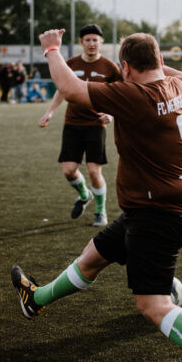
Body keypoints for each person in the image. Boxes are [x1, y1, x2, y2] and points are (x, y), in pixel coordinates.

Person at [11, 30, 182, 362]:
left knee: (153, 306)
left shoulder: (136, 96)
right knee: (92, 257)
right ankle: (37, 299)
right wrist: (159, 66)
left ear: (125, 67)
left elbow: (71, 89)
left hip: (157, 213)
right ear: (160, 61)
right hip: (152, 208)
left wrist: (52, 50)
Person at [39, 24, 121, 227]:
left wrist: (110, 114)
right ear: (81, 42)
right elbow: (62, 90)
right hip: (72, 124)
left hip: (95, 125)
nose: (92, 43)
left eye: (95, 40)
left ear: (101, 42)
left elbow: (119, 95)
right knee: (68, 171)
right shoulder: (70, 63)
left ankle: (100, 211)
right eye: (87, 40)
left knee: (94, 171)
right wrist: (49, 112)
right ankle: (85, 195)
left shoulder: (110, 67)